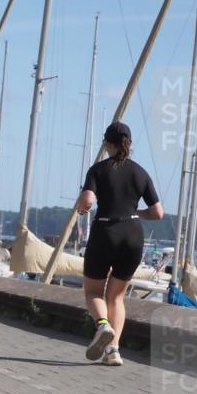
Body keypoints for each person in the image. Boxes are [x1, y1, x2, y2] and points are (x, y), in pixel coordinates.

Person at [75, 122, 163, 366]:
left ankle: (102, 325)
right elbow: (158, 212)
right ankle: (113, 351)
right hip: (133, 236)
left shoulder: (98, 170)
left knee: (94, 292)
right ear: (129, 144)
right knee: (117, 298)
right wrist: (136, 213)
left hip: (106, 231)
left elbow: (88, 198)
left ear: (107, 144)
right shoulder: (141, 172)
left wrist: (84, 206)